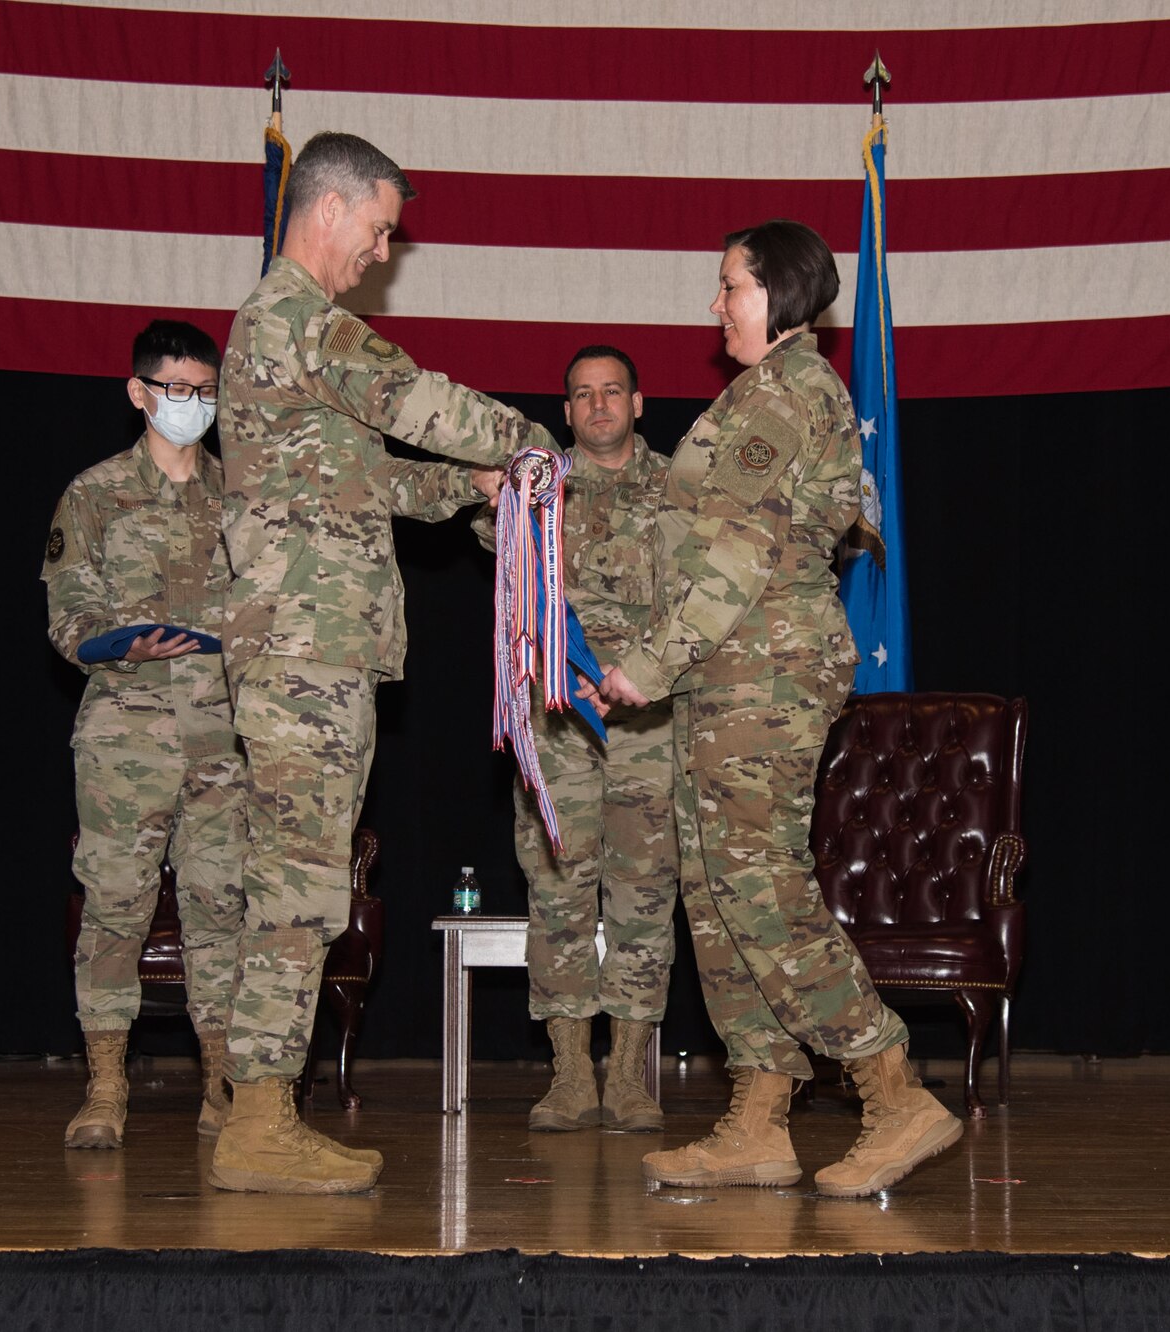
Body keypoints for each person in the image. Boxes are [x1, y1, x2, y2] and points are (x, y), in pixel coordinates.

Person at [587, 220, 963, 1197]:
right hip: (727, 666)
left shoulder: (784, 392)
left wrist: (649, 665)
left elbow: (741, 555)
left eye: (728, 286)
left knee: (756, 886)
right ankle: (757, 1116)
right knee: (716, 898)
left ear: (780, 293)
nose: (713, 304)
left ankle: (891, 1090)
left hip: (760, 663)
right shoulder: (757, 395)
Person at [211, 131, 555, 1194]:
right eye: (378, 226)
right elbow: (416, 403)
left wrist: (471, 490)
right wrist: (521, 443)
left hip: (317, 649)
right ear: (329, 207)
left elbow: (380, 481)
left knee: (300, 880)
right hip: (303, 652)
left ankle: (261, 1109)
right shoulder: (299, 321)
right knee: (297, 887)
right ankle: (258, 1123)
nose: (382, 249)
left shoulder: (291, 339)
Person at [42, 319, 246, 1150]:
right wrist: (117, 640)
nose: (192, 405)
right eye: (176, 391)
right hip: (126, 737)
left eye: (205, 391)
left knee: (220, 911)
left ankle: (223, 1086)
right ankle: (105, 1086)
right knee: (116, 911)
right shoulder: (93, 496)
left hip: (223, 739)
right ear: (139, 393)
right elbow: (68, 615)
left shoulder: (242, 495)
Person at [473, 347, 676, 1133]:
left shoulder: (681, 489)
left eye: (612, 392)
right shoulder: (535, 492)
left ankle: (626, 1076)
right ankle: (568, 1075)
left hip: (647, 718)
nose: (597, 406)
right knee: (557, 890)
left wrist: (641, 670)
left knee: (644, 894)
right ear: (565, 411)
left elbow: (705, 595)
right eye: (582, 395)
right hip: (558, 720)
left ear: (638, 401)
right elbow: (501, 572)